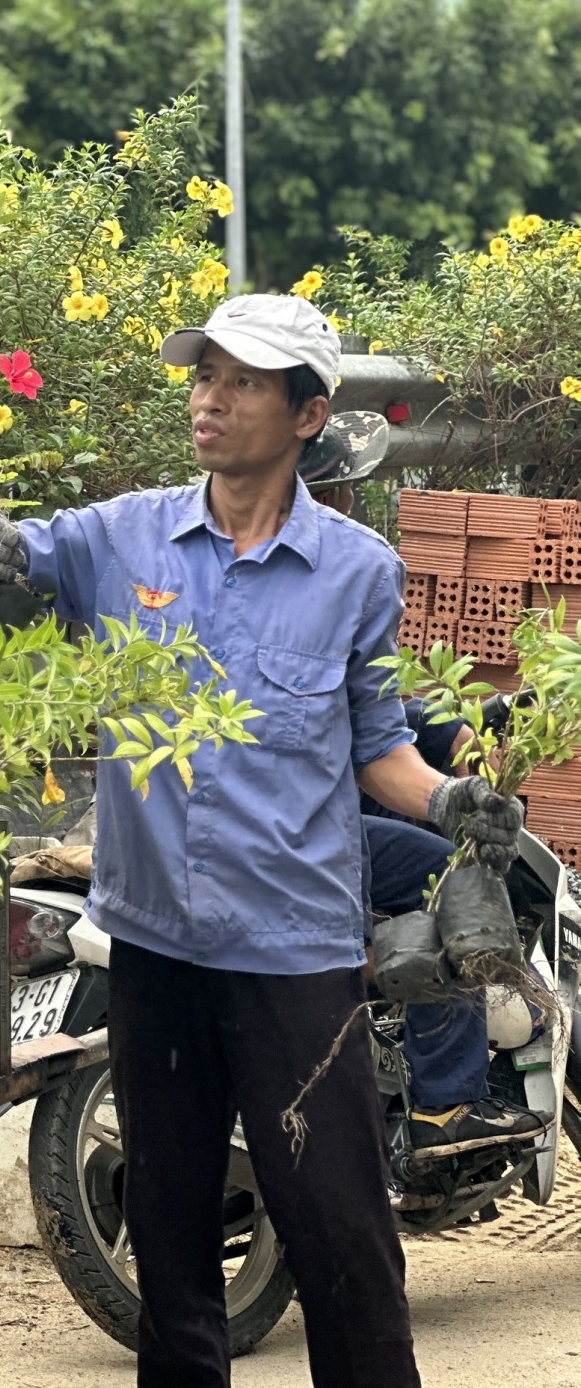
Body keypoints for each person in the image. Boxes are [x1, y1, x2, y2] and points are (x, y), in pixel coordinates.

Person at [0, 294, 523, 1388]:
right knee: (171, 1237)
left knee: (341, 1235)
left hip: (295, 955)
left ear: (307, 414)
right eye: (206, 376)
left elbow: (378, 748)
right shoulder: (123, 537)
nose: (211, 398)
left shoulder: (357, 571)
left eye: (244, 382)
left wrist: (449, 804)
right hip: (157, 947)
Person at [302, 426, 550, 1150]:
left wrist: (470, 733)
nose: (351, 506)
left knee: (435, 855)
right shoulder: (328, 579)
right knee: (446, 888)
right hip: (305, 824)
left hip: (330, 803)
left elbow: (382, 714)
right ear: (331, 496)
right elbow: (366, 732)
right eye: (346, 492)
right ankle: (443, 1101)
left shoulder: (326, 577)